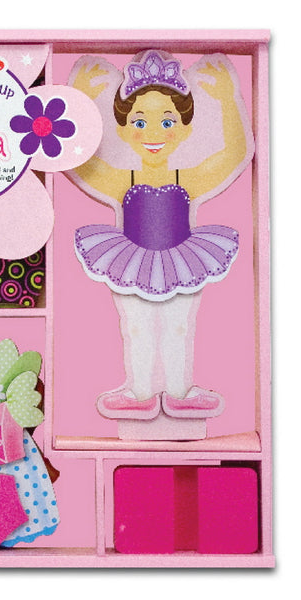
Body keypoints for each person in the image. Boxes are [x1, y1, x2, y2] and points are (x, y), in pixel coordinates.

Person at [69, 50, 252, 423]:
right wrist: (82, 104)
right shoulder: (123, 180)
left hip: (182, 259)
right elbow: (80, 164)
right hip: (131, 260)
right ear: (123, 129)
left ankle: (180, 392)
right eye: (139, 122)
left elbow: (234, 155)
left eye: (167, 122)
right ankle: (139, 393)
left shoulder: (188, 178)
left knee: (179, 325)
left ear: (185, 128)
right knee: (135, 326)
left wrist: (227, 101)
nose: (153, 133)